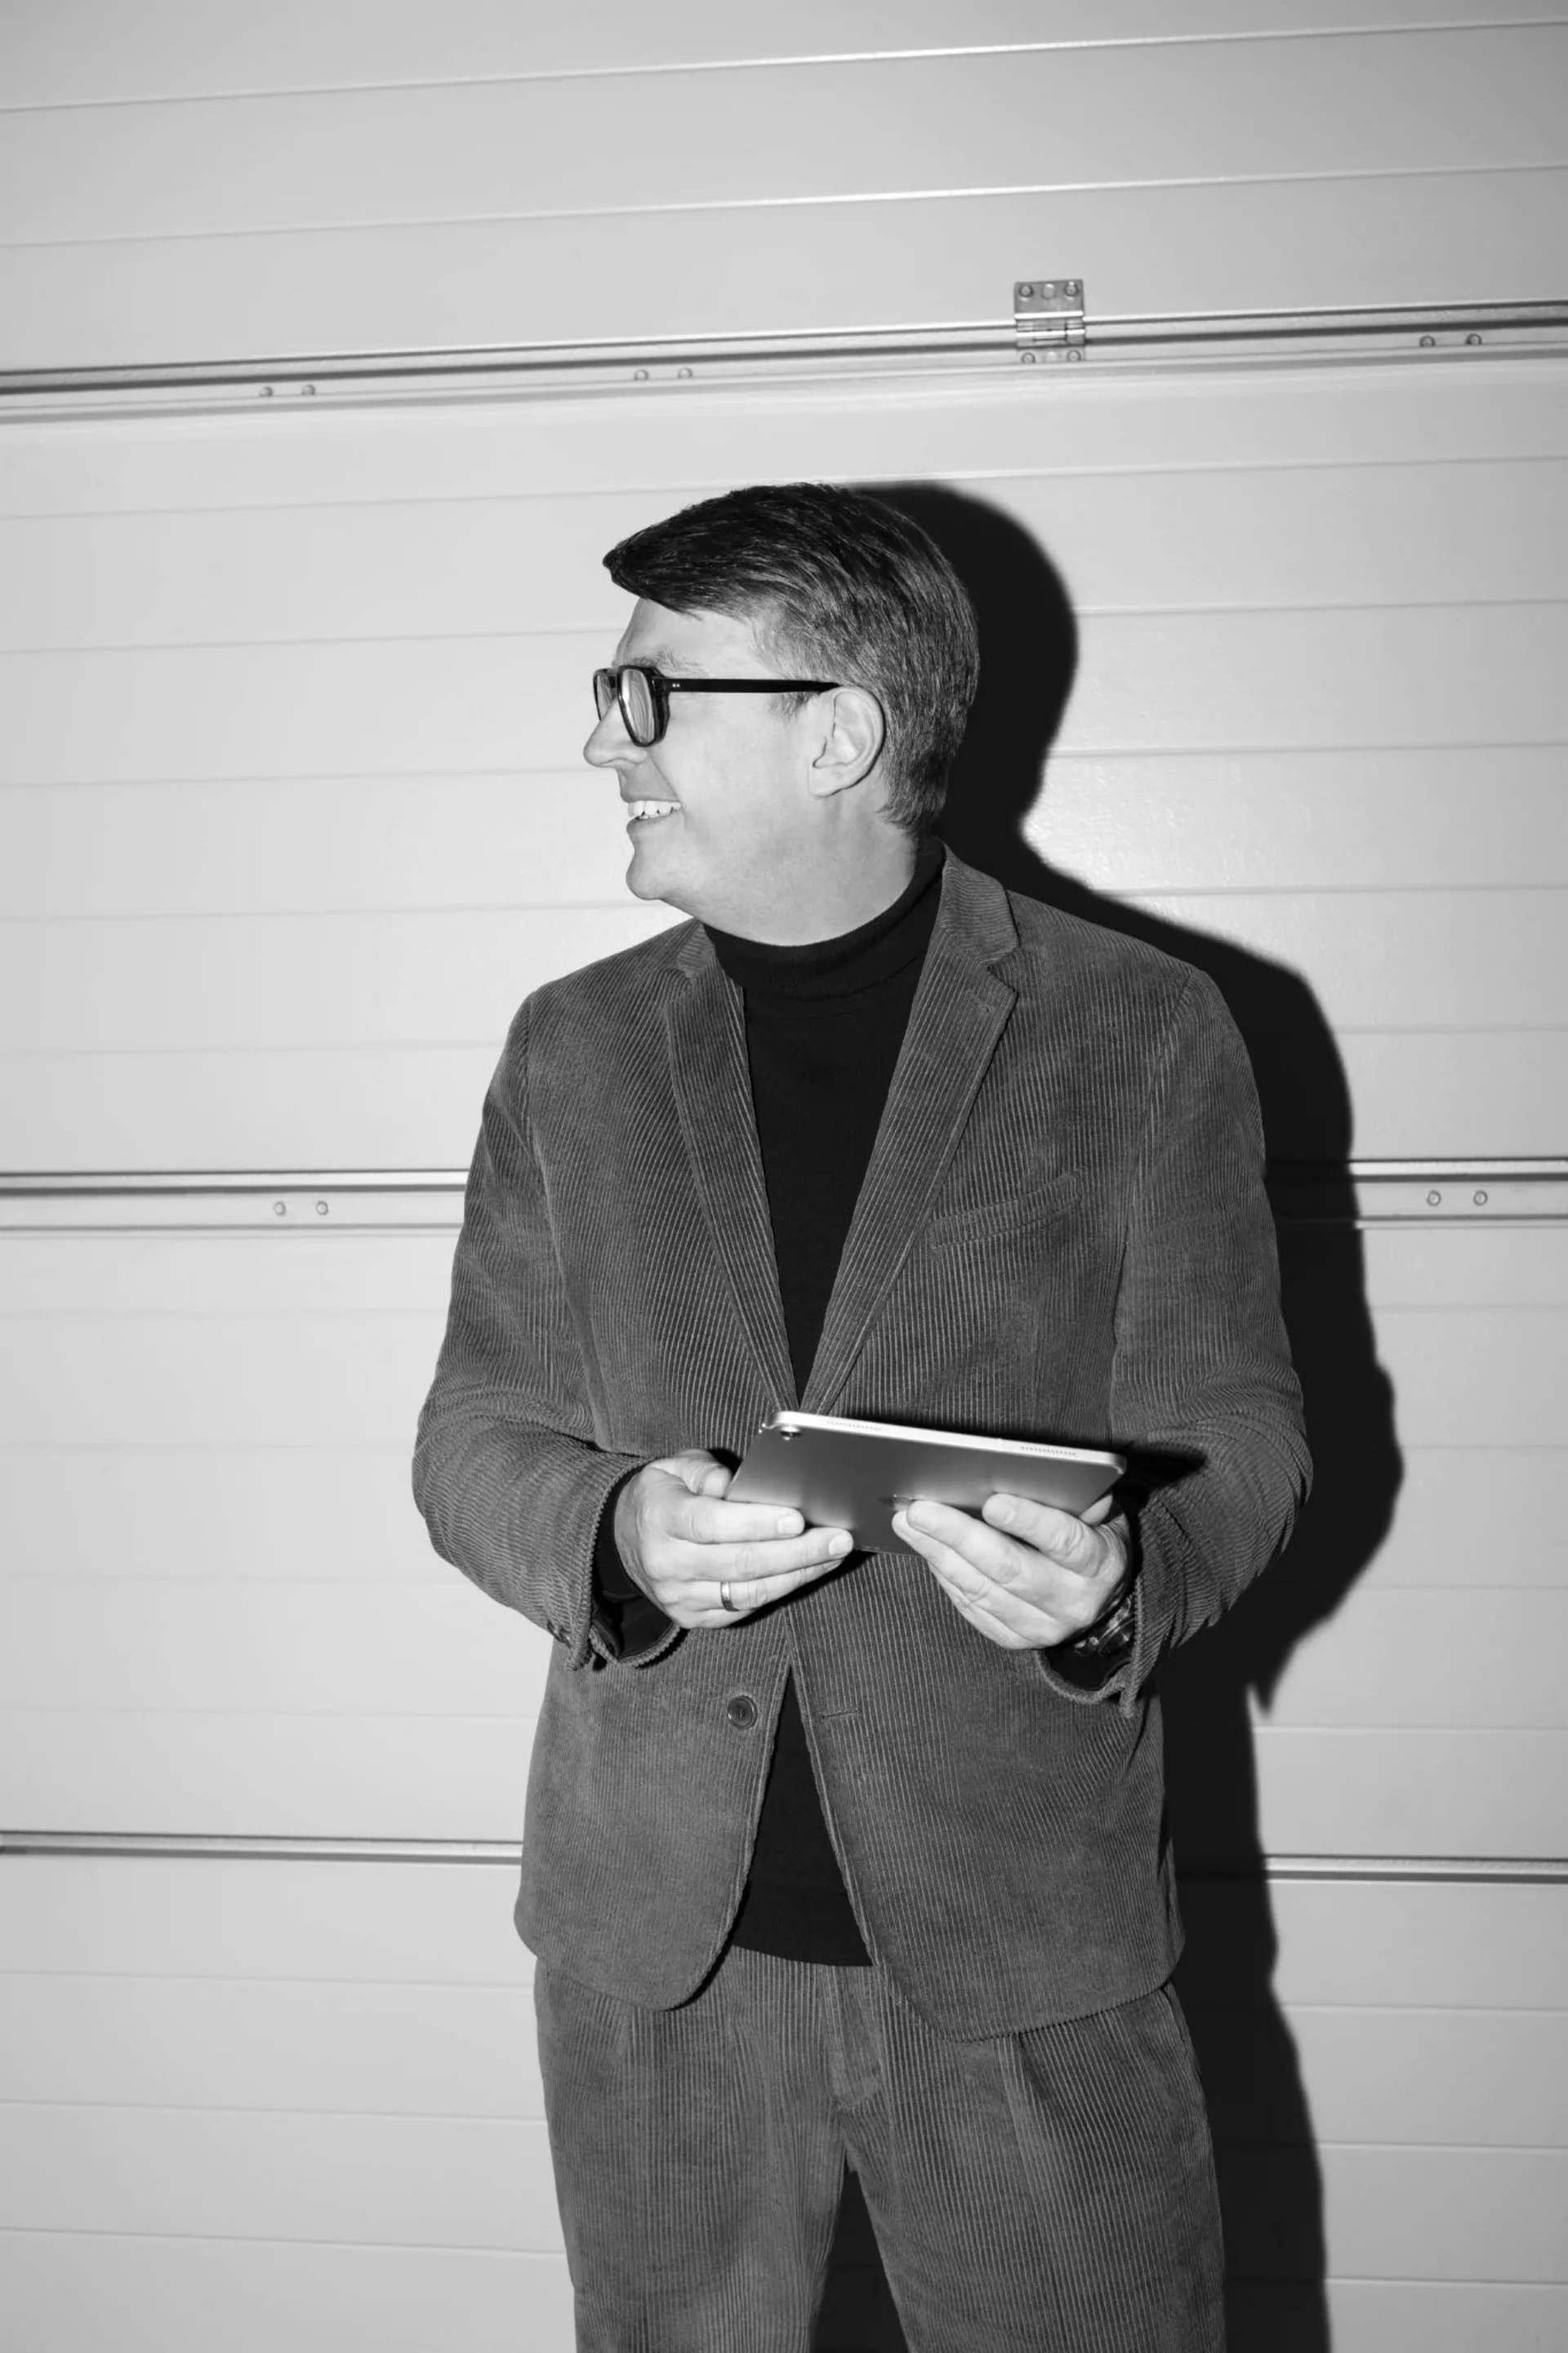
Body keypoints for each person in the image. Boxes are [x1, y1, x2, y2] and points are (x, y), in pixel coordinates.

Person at [412, 482, 1310, 2351]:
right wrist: (609, 1534)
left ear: (838, 732)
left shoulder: (1140, 1030)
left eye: (650, 694)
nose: (603, 743)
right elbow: (472, 1434)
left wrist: (1124, 1583)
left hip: (1025, 1939)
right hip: (661, 1951)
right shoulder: (571, 1048)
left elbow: (1244, 1427)